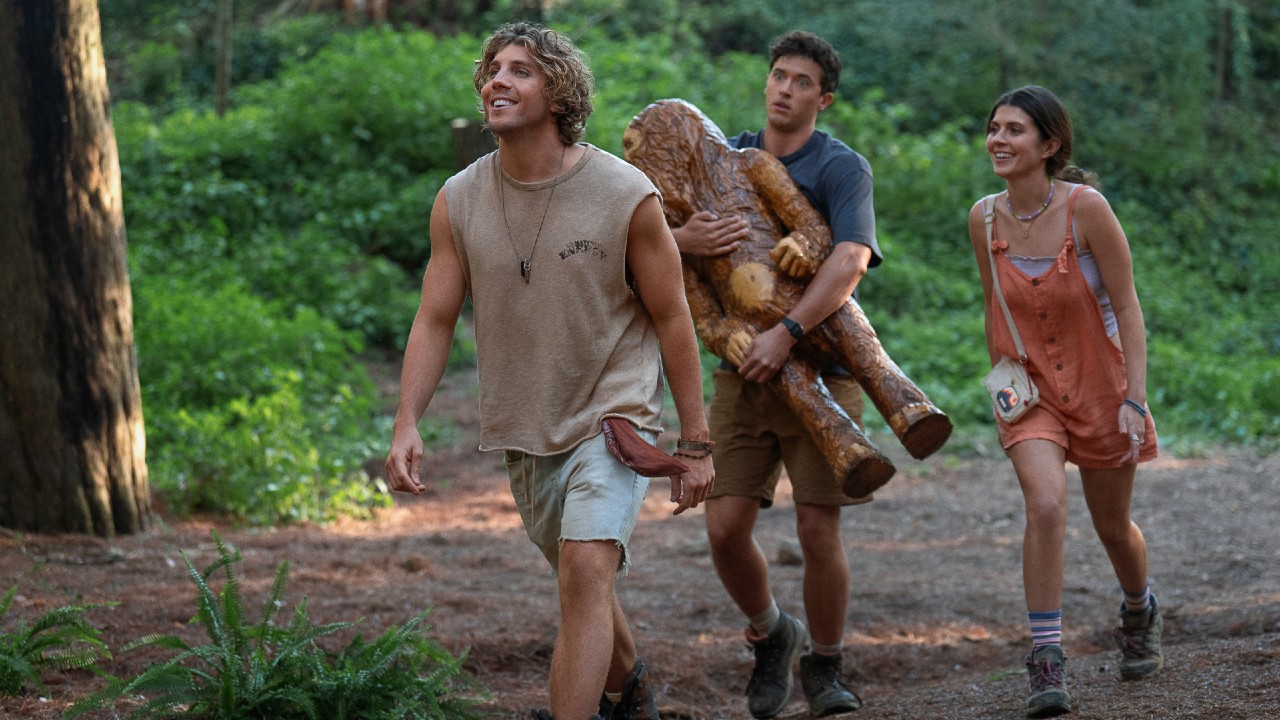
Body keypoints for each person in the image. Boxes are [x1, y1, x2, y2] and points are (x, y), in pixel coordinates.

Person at [384, 22, 714, 720]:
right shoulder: (458, 199)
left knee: (586, 568)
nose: (497, 80)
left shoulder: (625, 193)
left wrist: (695, 440)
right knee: (580, 581)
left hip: (614, 417)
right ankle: (630, 693)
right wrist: (407, 420)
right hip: (526, 426)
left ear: (559, 94)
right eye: (492, 69)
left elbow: (672, 316)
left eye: (520, 70)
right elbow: (435, 317)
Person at [670, 31, 879, 719]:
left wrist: (787, 334)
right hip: (742, 373)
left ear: (825, 99)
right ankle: (771, 632)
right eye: (778, 75)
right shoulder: (722, 157)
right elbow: (654, 239)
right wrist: (683, 241)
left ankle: (826, 664)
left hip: (820, 368)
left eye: (801, 81)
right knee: (724, 528)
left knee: (818, 529)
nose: (785, 89)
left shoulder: (841, 168)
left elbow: (849, 259)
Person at [967, 85, 1163, 719]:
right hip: (1030, 394)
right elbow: (992, 304)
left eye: (1014, 130)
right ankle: (1047, 659)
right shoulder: (983, 218)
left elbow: (1128, 307)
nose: (998, 139)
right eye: (994, 128)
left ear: (1049, 144)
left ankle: (1139, 609)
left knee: (1112, 526)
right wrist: (1003, 381)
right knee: (1046, 505)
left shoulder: (1088, 209)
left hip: (1103, 386)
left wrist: (1135, 399)